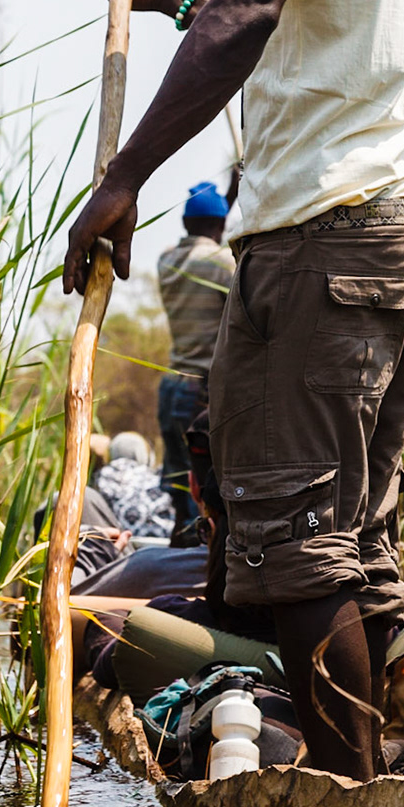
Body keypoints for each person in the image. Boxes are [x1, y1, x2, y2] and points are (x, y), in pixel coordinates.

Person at [62, 0, 404, 781]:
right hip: (397, 223)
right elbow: (311, 35)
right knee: (353, 540)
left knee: (297, 545)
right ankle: (399, 769)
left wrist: (124, 175)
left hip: (321, 239)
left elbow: (259, 2)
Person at [157, 181, 235, 542]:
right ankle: (193, 558)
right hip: (201, 388)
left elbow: (206, 238)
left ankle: (177, 547)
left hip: (171, 385)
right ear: (220, 223)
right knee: (201, 481)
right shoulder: (223, 263)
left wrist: (228, 197)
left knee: (177, 479)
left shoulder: (167, 261)